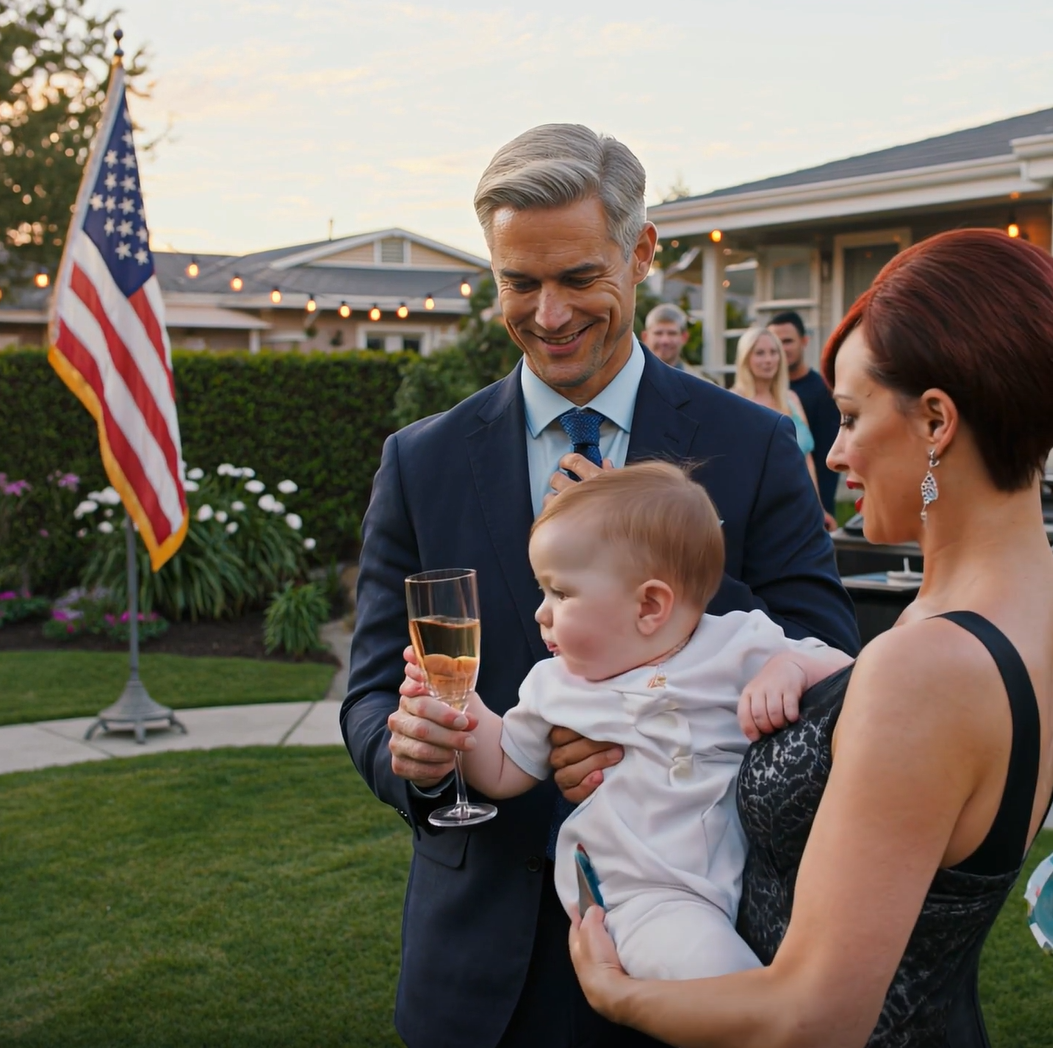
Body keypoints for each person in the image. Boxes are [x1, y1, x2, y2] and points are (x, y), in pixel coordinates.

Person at [340, 122, 859, 1048]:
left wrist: (654, 585)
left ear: (641, 251)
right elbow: (373, 690)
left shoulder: (751, 446)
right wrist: (412, 755)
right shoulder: (420, 462)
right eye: (518, 282)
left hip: (699, 941)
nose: (547, 314)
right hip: (478, 968)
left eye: (579, 278)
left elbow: (831, 670)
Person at [564, 229, 1053, 1047]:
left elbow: (812, 1018)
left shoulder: (927, 666)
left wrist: (617, 994)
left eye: (854, 417)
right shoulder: (1022, 608)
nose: (834, 451)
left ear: (936, 420)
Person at [416, 461, 852, 983]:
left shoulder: (738, 643)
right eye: (543, 592)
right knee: (726, 983)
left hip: (752, 880)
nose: (541, 613)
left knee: (814, 974)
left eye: (560, 593)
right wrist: (461, 709)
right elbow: (506, 766)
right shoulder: (555, 684)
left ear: (649, 605)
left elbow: (850, 671)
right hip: (640, 894)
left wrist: (793, 665)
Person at [732, 326, 836, 530]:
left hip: (799, 505)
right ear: (745, 358)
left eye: (773, 352)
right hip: (759, 514)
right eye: (760, 353)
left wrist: (818, 507)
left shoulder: (791, 399)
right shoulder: (734, 400)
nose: (768, 360)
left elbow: (806, 460)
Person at [770, 309, 842, 516]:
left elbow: (826, 457)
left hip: (811, 502)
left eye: (787, 341)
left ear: (804, 341)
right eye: (775, 343)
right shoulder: (765, 391)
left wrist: (823, 508)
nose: (781, 349)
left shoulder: (822, 390)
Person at [640, 302, 692, 371]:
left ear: (684, 337)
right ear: (645, 337)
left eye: (672, 333)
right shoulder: (630, 379)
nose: (665, 341)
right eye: (658, 333)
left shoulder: (699, 381)